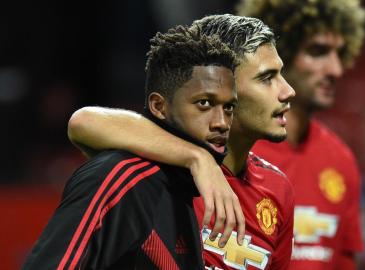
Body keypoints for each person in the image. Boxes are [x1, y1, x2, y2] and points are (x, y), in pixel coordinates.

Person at [68, 14, 296, 269]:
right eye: (267, 78)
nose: (287, 91)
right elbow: (83, 122)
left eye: (281, 75)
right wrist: (198, 159)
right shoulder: (159, 169)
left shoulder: (277, 188)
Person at [22, 25, 239, 270]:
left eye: (229, 107)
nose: (221, 122)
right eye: (204, 103)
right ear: (159, 106)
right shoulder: (120, 176)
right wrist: (199, 156)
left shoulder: (186, 189)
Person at [237, 0, 365, 269]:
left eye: (339, 54)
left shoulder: (340, 159)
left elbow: (344, 261)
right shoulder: (235, 149)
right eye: (318, 51)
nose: (336, 70)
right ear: (279, 55)